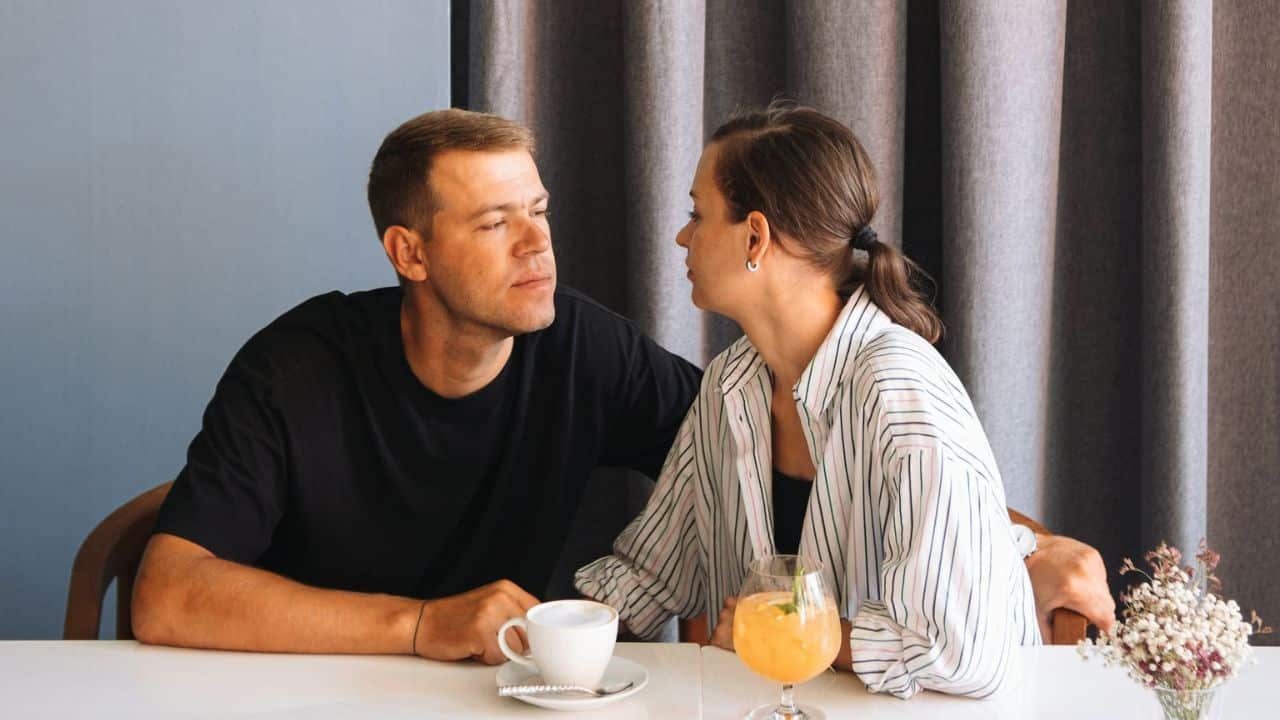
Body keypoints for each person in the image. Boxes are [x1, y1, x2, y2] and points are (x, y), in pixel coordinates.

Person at [132, 108, 1113, 668]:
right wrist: (430, 627)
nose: (539, 245)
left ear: (757, 239)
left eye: (540, 211)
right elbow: (167, 596)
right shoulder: (300, 366)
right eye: (493, 224)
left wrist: (1012, 546)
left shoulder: (598, 355)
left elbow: (884, 485)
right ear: (409, 251)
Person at [575, 105, 1074, 699]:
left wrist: (806, 633)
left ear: (755, 236)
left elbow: (960, 651)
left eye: (697, 214)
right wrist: (540, 637)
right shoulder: (731, 383)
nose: (683, 236)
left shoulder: (899, 390)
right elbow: (652, 572)